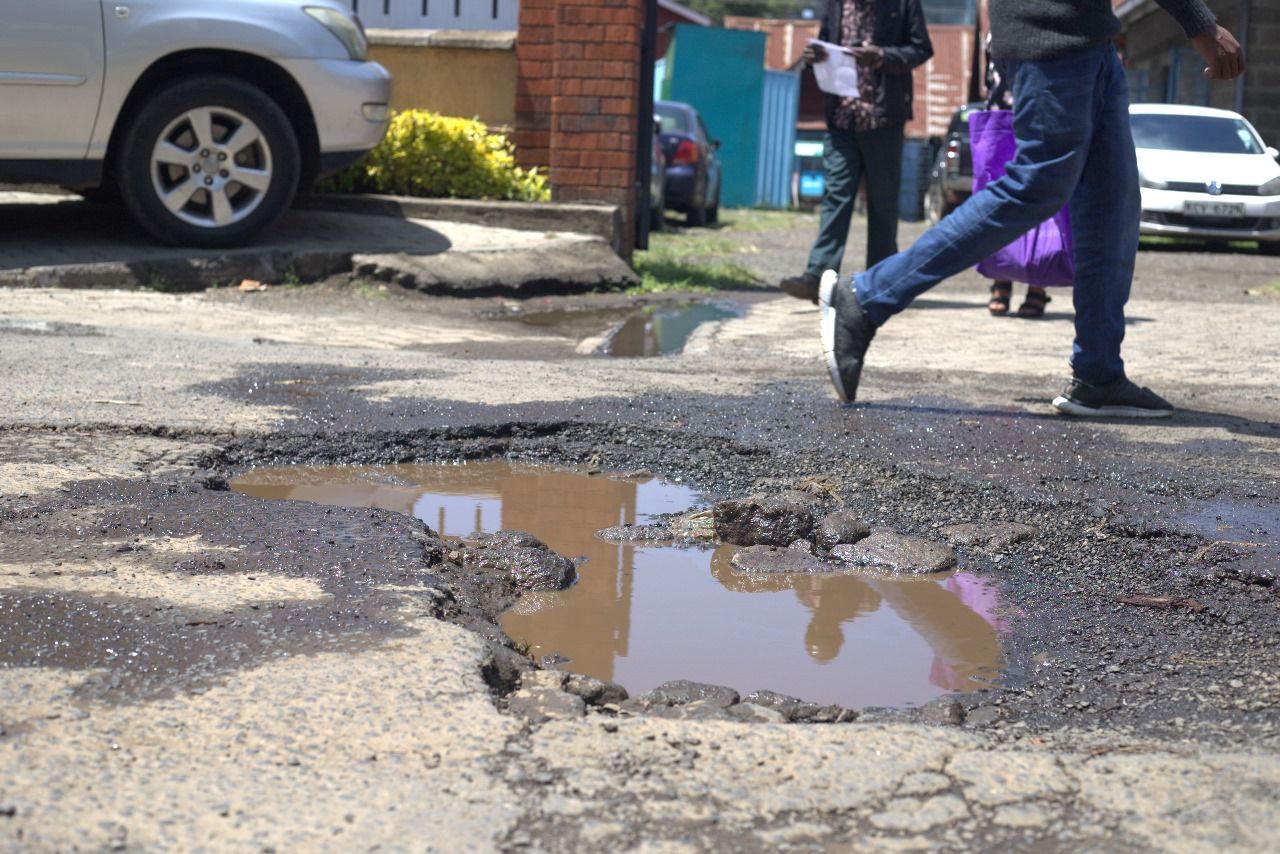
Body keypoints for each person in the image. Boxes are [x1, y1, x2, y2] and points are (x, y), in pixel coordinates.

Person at [819, 0, 1244, 417]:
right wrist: (1199, 23)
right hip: (1051, 33)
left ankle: (1098, 373)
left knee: (1112, 207)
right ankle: (866, 297)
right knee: (1034, 185)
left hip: (1091, 40)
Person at [779, 0, 933, 304]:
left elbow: (921, 49)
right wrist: (813, 57)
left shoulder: (903, 4)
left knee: (882, 203)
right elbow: (825, 43)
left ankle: (881, 283)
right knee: (836, 195)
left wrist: (882, 56)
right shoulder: (837, 4)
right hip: (841, 118)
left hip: (883, 118)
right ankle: (819, 277)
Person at [980, 32, 1052, 319]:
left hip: (1041, 113)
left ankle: (1038, 284)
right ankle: (1001, 280)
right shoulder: (996, 17)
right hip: (1000, 115)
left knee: (1041, 198)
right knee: (999, 199)